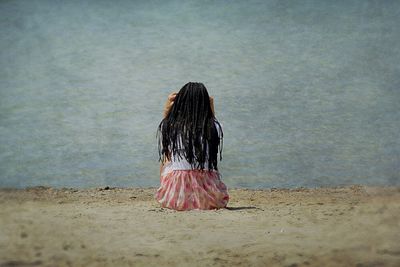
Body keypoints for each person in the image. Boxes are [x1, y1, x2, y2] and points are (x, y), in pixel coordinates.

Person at [155, 82, 229, 211]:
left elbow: (166, 149)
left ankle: (165, 188)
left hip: (174, 200)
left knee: (167, 157)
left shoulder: (169, 126)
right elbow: (212, 123)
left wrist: (166, 111)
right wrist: (211, 107)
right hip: (211, 200)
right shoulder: (214, 127)